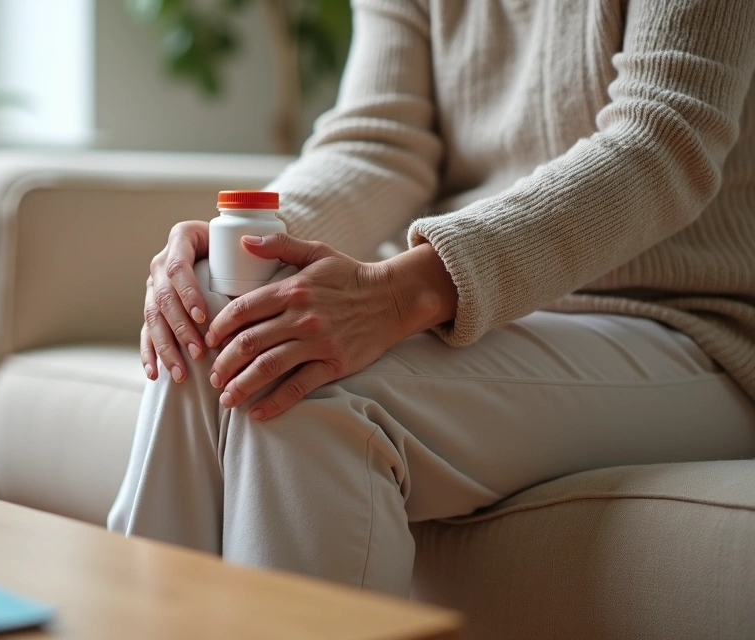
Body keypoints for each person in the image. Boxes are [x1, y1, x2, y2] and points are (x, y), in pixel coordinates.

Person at [107, 0, 755, 596]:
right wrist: (240, 254)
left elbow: (665, 135)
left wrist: (401, 293)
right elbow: (380, 143)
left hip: (681, 320)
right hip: (489, 313)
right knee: (213, 339)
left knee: (302, 387)